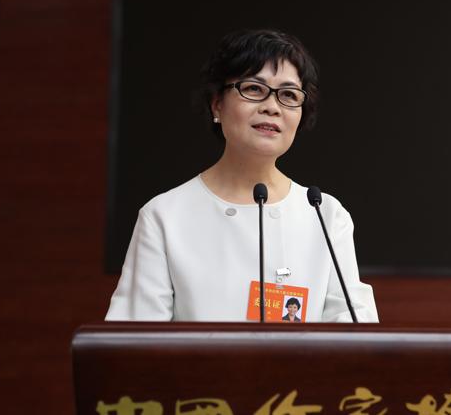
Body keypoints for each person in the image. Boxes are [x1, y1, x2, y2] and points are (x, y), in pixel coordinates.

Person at [105, 29, 378, 322]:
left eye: (288, 95)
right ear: (217, 104)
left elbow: (355, 334)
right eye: (254, 89)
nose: (271, 107)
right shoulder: (164, 217)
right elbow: (135, 340)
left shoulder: (325, 215)